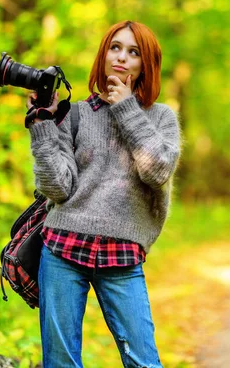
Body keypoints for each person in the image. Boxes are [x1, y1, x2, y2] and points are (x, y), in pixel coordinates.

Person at [25, 20, 180, 368]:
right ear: (103, 54)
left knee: (144, 362)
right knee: (61, 363)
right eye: (115, 47)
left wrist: (125, 108)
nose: (122, 57)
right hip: (62, 250)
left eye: (133, 51)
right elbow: (57, 187)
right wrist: (42, 126)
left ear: (146, 64)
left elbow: (156, 170)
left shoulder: (161, 118)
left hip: (122, 256)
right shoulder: (76, 114)